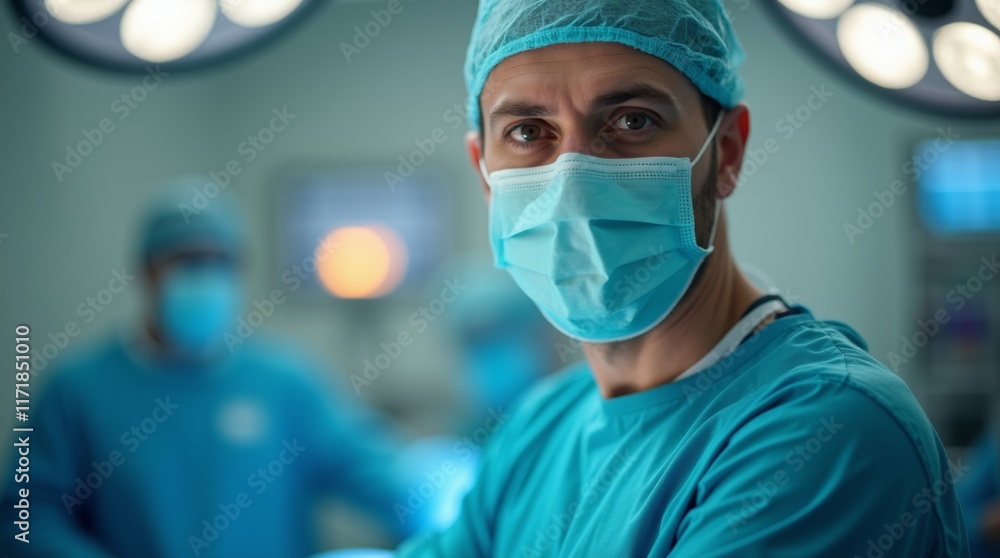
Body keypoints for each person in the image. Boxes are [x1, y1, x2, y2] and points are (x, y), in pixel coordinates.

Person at [395, 0, 969, 556]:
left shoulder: (824, 429)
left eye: (632, 120)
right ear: (485, 173)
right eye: (526, 131)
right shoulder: (542, 424)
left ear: (727, 150)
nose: (572, 178)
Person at [2, 177, 417, 557]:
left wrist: (441, 494)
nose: (206, 278)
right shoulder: (77, 390)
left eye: (221, 263)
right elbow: (24, 519)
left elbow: (372, 472)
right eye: (188, 262)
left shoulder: (285, 382)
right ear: (147, 272)